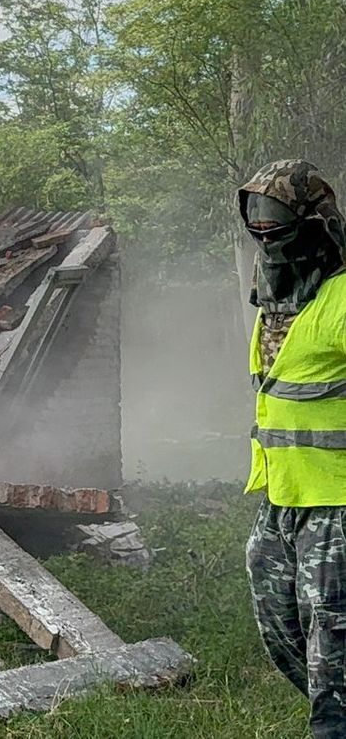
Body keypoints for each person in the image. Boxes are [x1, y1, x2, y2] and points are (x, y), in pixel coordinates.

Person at [241, 159, 346, 739]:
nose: (263, 228)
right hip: (281, 496)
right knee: (281, 625)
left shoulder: (342, 297)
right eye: (255, 215)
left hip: (337, 502)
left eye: (276, 216)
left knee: (334, 639)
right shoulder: (277, 302)